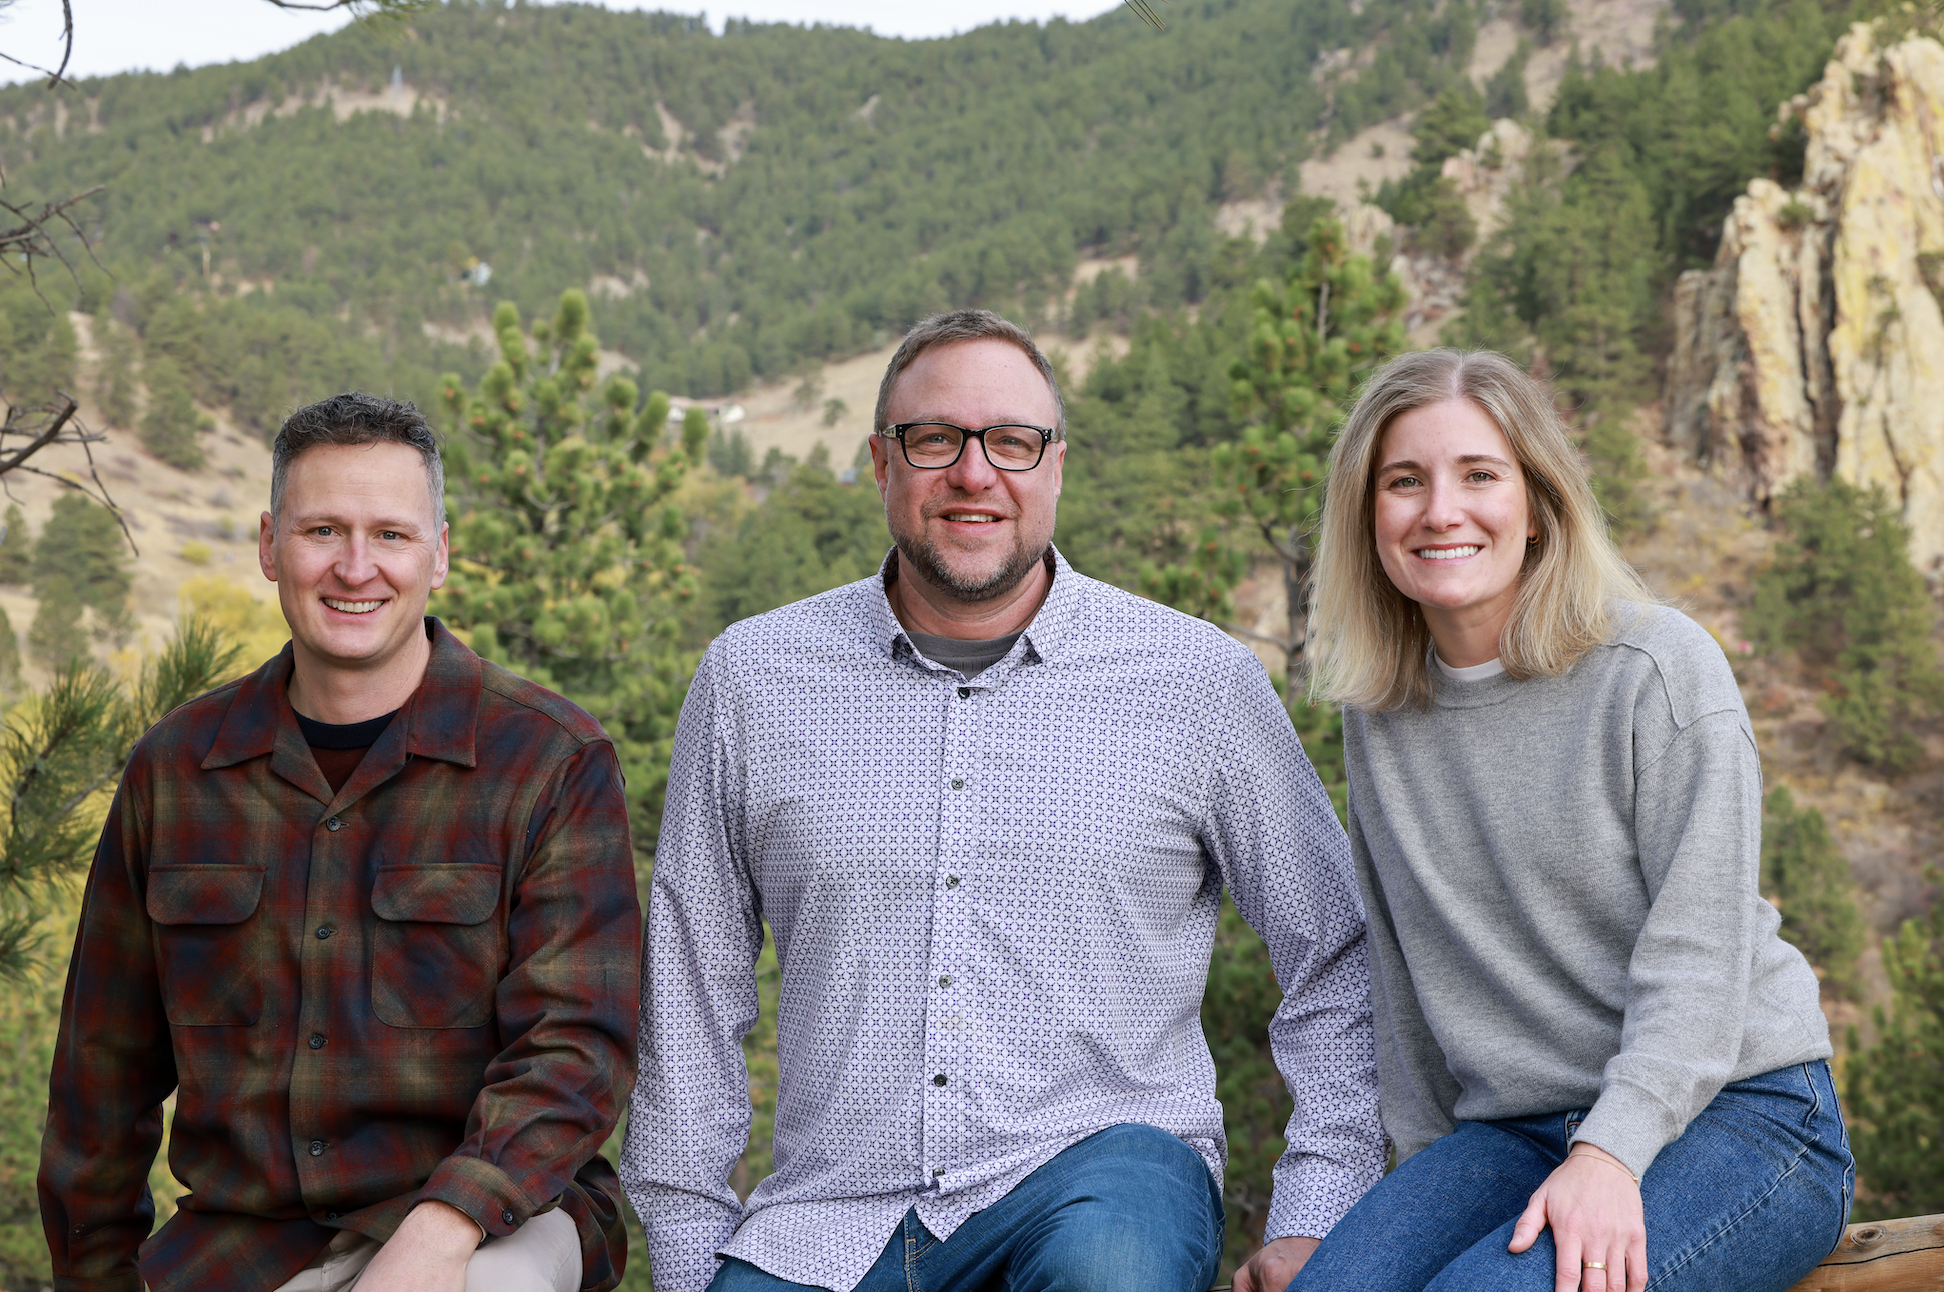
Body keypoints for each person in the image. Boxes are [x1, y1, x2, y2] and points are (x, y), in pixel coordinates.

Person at [622, 309, 1383, 1292]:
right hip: (825, 1224)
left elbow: (1339, 955)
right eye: (934, 438)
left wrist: (1317, 1214)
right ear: (882, 463)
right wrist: (689, 1259)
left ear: (1055, 465)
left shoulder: (1196, 679)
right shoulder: (753, 679)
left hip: (1105, 1189)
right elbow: (690, 996)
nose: (975, 473)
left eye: (1011, 442)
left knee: (1105, 1270)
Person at [38, 393, 643, 1292]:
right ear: (268, 544)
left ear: (438, 553)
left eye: (391, 535)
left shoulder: (549, 760)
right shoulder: (176, 771)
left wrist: (443, 1229)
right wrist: (95, 1276)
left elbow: (577, 1048)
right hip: (241, 1243)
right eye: (323, 530)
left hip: (495, 1226)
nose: (356, 567)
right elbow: (102, 1067)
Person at [1284, 349, 1851, 1292]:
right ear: (1367, 515)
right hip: (1514, 1132)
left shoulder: (1655, 670)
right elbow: (1406, 966)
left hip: (1738, 1114)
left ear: (1539, 505)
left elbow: (1700, 957)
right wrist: (1421, 1189)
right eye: (1404, 481)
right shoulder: (1383, 711)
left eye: (1480, 475)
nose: (1440, 510)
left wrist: (1611, 1152)